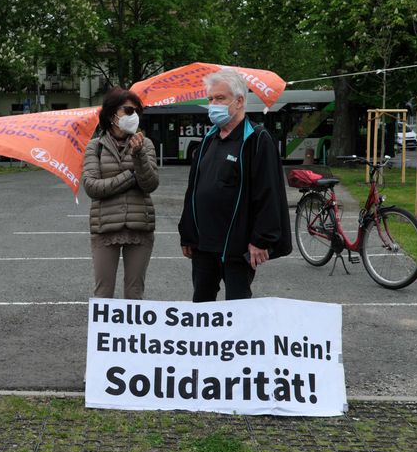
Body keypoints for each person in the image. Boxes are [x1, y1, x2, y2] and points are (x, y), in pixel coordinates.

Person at [178, 68, 291, 302]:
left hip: (237, 248)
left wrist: (261, 240)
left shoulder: (257, 139)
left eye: (220, 98)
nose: (213, 105)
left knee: (238, 311)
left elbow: (268, 193)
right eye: (210, 99)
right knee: (201, 308)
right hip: (203, 248)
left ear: (239, 101)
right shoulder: (209, 140)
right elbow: (194, 191)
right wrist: (187, 234)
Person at [80, 88, 159, 299]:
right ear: (111, 114)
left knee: (135, 293)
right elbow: (92, 187)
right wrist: (130, 176)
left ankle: (132, 334)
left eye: (137, 111)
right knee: (103, 293)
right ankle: (105, 333)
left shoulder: (146, 145)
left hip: (139, 228)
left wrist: (139, 155)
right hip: (105, 227)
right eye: (128, 110)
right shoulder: (94, 147)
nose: (134, 116)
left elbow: (150, 184)